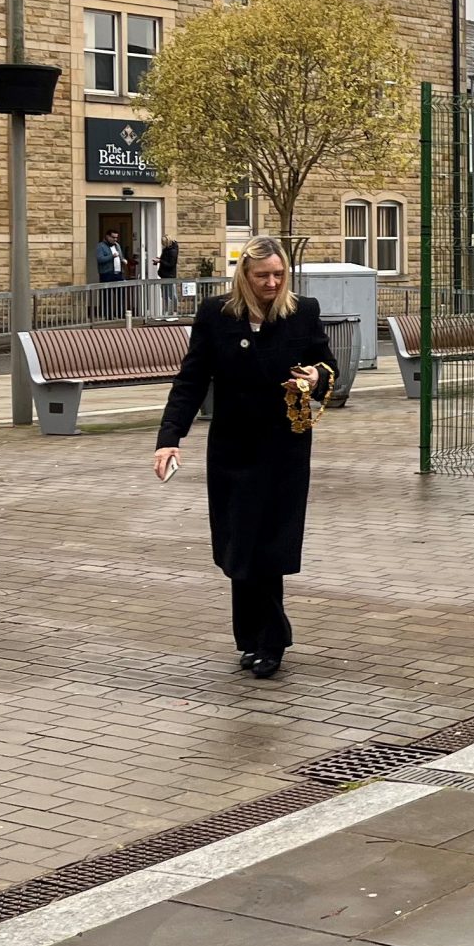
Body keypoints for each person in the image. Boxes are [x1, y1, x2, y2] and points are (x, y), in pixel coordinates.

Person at [152, 235, 338, 678]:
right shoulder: (217, 316)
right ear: (244, 276)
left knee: (269, 543)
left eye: (278, 274)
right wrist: (169, 437)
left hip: (284, 445)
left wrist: (316, 375)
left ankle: (270, 642)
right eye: (262, 276)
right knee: (238, 544)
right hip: (233, 446)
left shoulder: (302, 311)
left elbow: (328, 367)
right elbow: (191, 380)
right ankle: (249, 638)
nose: (272, 282)